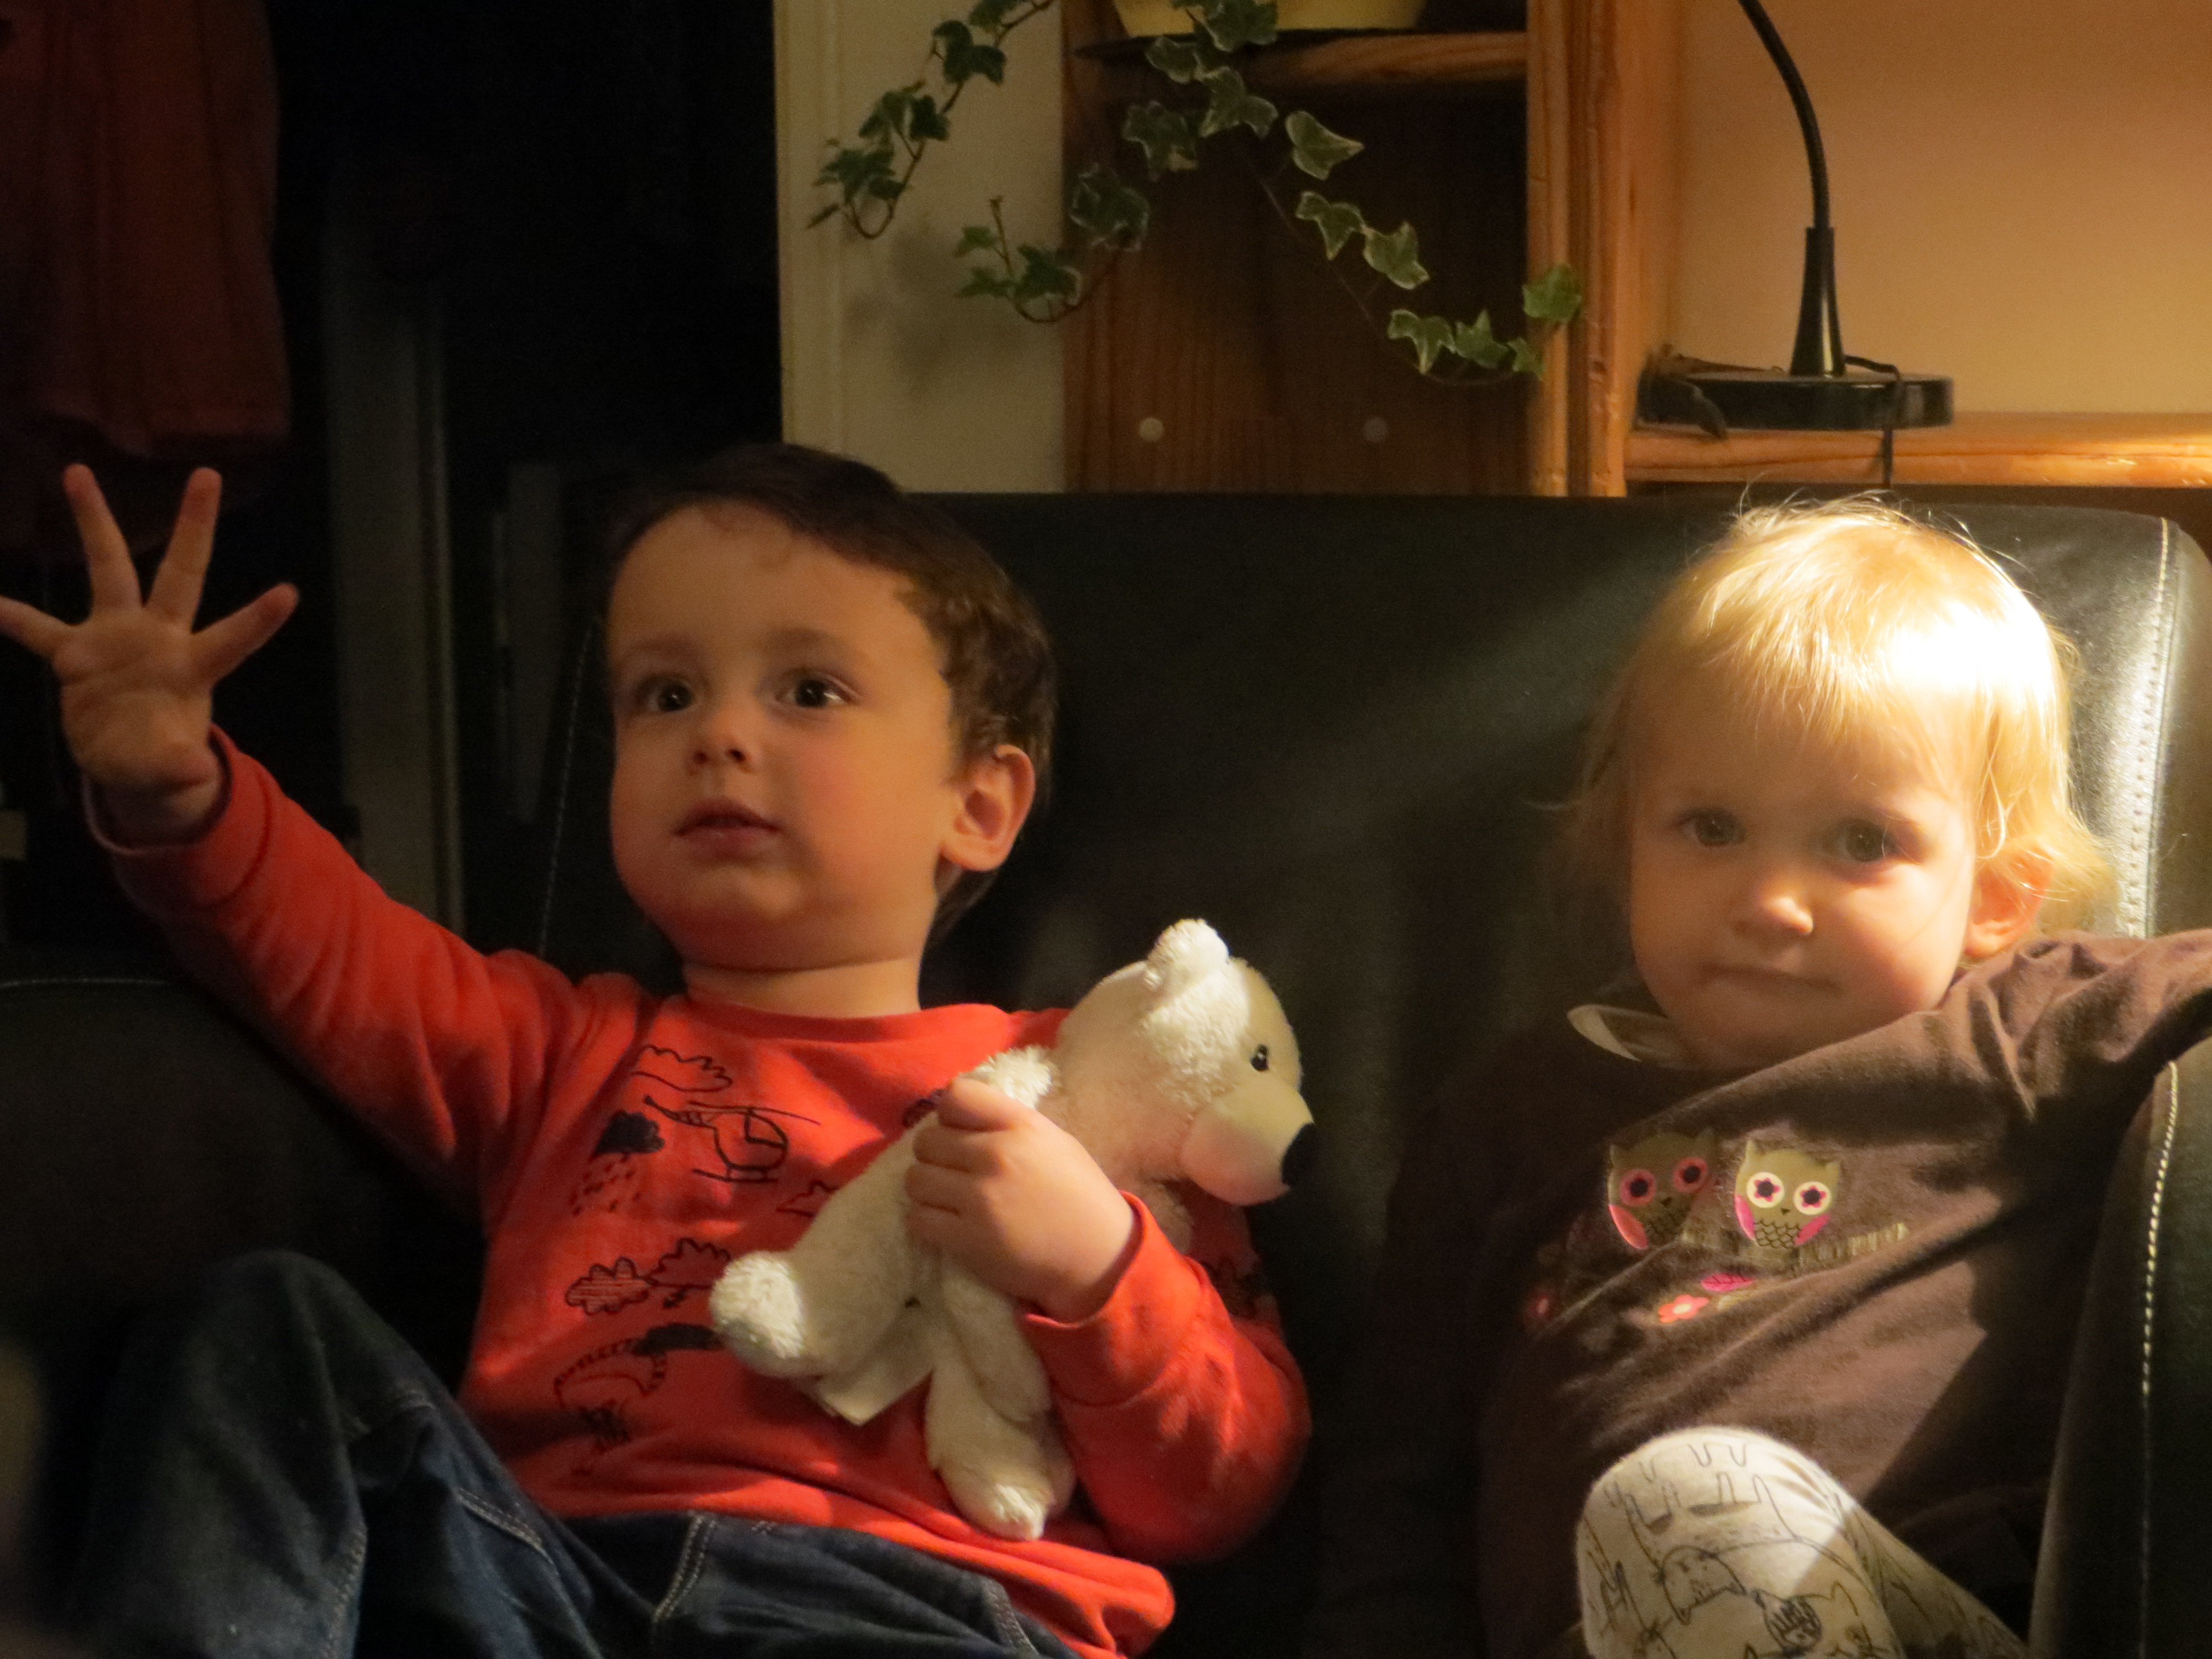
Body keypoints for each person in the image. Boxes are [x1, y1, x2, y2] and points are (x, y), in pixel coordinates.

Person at [0, 444, 1308, 1659]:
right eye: (664, 693)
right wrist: (181, 791)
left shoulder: (1093, 1089)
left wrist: (1097, 1269)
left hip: (912, 1610)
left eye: (808, 691)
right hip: (543, 1585)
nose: (718, 734)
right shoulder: (557, 1050)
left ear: (977, 804)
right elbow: (332, 954)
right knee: (260, 1324)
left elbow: (1216, 1490)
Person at [1303, 498, 2208, 1659]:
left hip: (1922, 1615)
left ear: (1994, 895)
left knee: (1704, 1514)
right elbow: (1397, 1485)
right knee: (1676, 1520)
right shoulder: (1504, 1119)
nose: (1770, 903)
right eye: (1711, 827)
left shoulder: (2017, 1031)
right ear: (1626, 838)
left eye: (1860, 842)